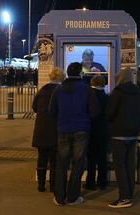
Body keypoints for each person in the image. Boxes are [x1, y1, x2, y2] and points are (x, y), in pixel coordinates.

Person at [49, 62, 99, 206]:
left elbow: (51, 110)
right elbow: (95, 111)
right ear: (80, 73)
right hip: (81, 130)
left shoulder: (58, 89)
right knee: (78, 164)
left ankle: (59, 197)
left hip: (63, 130)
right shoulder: (86, 89)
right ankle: (73, 197)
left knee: (62, 164)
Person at [106, 68, 140, 209]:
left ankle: (124, 197)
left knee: (119, 166)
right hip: (133, 133)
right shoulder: (137, 92)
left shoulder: (117, 93)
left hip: (119, 133)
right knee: (129, 164)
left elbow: (109, 114)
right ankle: (130, 193)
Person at [32, 68, 66, 192]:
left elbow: (34, 107)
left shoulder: (42, 90)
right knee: (54, 160)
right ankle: (53, 185)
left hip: (41, 128)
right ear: (61, 78)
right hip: (55, 129)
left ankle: (41, 184)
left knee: (42, 157)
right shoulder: (61, 92)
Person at [84, 76, 110, 191]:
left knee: (91, 158)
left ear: (92, 83)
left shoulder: (88, 96)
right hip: (104, 131)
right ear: (103, 84)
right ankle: (102, 182)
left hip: (91, 130)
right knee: (102, 158)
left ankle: (90, 183)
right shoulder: (107, 97)